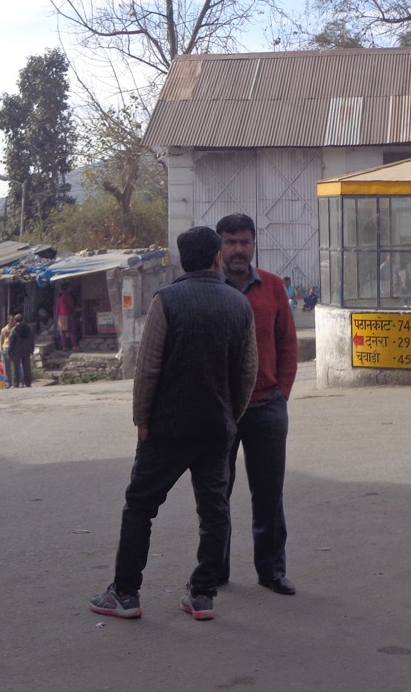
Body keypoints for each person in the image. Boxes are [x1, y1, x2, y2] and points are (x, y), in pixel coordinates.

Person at [88, 226, 257, 622]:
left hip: (167, 426)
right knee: (214, 511)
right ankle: (202, 595)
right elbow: (249, 370)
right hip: (217, 427)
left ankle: (125, 593)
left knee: (140, 506)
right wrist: (232, 417)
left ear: (182, 260)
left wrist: (142, 420)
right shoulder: (238, 304)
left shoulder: (168, 301)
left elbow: (148, 369)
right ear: (216, 258)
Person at [217, 212, 300, 596]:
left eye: (244, 242)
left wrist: (282, 391)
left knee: (268, 494)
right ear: (220, 245)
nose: (238, 249)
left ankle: (272, 571)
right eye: (231, 241)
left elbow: (287, 343)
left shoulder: (271, 286)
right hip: (220, 409)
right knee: (216, 493)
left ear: (254, 245)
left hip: (267, 406)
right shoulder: (208, 288)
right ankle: (214, 570)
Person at [6, 312, 35, 388]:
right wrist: (32, 349)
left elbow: (11, 342)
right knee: (27, 367)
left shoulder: (13, 329)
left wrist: (9, 352)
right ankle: (28, 383)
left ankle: (16, 384)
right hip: (26, 350)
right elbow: (32, 339)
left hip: (16, 351)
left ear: (15, 320)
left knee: (15, 367)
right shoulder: (29, 328)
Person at [54, 286, 77, 351]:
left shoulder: (59, 297)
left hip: (60, 316)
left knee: (63, 333)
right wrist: (73, 310)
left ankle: (64, 347)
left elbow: (57, 308)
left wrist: (57, 317)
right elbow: (71, 305)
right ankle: (75, 346)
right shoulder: (67, 295)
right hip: (67, 315)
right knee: (71, 331)